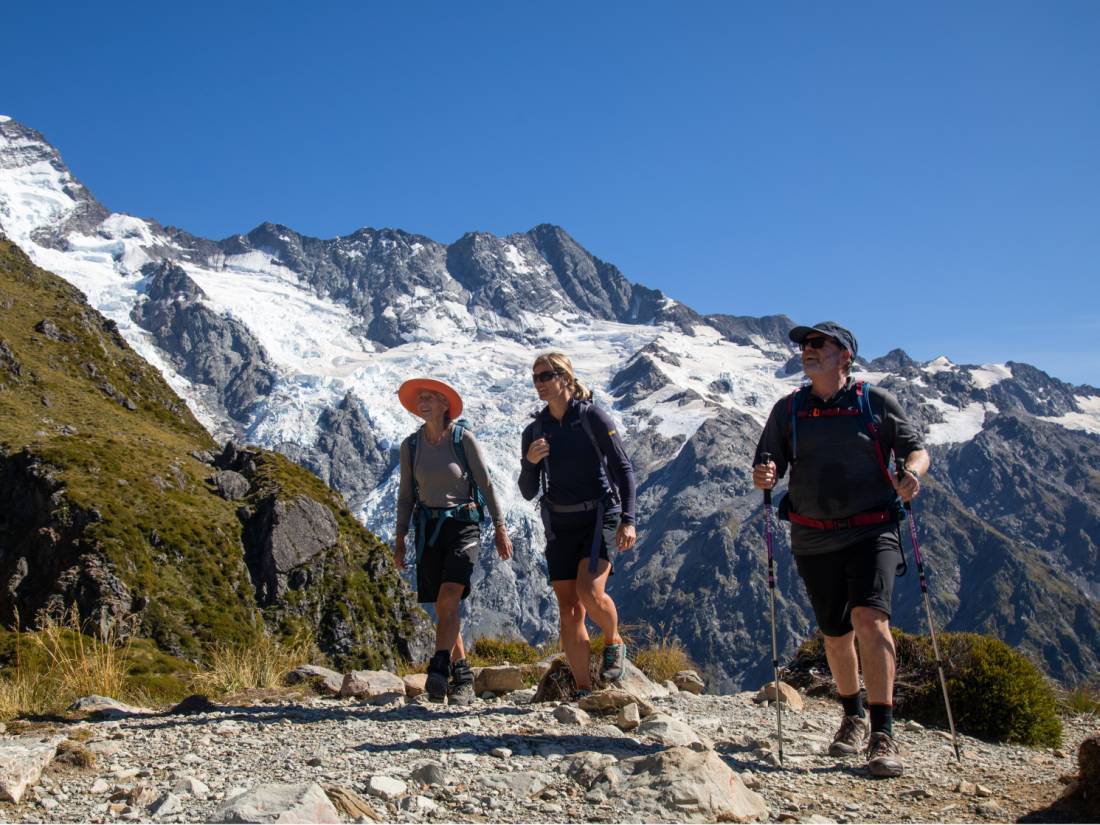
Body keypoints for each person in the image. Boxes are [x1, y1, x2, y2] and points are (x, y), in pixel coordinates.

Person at [752, 321, 929, 778]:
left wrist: (913, 472)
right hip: (813, 536)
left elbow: (916, 450)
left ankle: (882, 730)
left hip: (873, 531)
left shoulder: (874, 402)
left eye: (817, 344)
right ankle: (851, 716)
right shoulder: (788, 410)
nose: (807, 351)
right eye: (804, 346)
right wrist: (764, 475)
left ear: (844, 355)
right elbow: (766, 460)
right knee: (834, 634)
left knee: (870, 621)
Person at [518, 352, 637, 698]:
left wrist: (628, 519)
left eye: (546, 376)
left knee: (590, 591)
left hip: (599, 515)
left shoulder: (592, 418)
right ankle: (586, 691)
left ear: (565, 378)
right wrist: (530, 463)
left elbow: (623, 468)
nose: (539, 383)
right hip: (559, 522)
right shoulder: (535, 431)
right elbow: (527, 491)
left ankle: (613, 641)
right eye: (535, 377)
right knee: (570, 611)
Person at [394, 377, 513, 705]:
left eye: (431, 397)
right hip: (429, 529)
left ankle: (437, 668)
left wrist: (500, 527)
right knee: (445, 608)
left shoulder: (463, 440)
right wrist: (400, 538)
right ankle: (462, 675)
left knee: (449, 598)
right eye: (420, 398)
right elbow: (406, 496)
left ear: (446, 404)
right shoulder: (411, 446)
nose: (423, 402)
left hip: (463, 526)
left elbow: (486, 485)